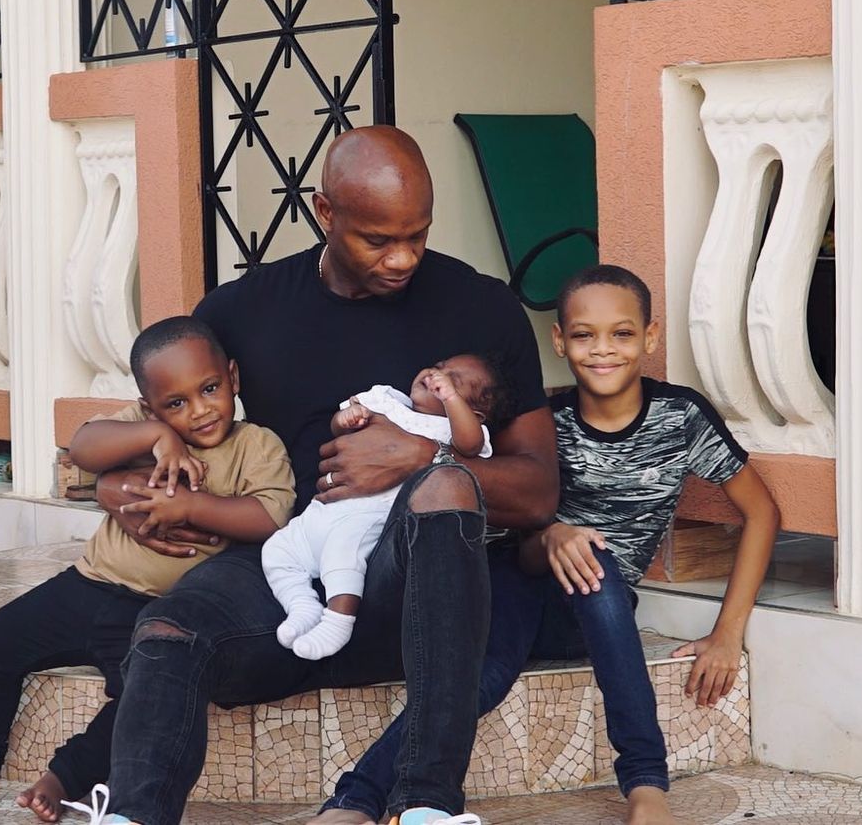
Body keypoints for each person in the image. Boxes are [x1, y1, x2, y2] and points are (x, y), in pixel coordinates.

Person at [82, 126, 559, 825]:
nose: (403, 259)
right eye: (377, 239)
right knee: (166, 634)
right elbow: (140, 438)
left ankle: (426, 805)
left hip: (413, 590)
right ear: (325, 212)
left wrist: (425, 455)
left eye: (418, 235)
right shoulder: (239, 313)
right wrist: (113, 491)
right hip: (287, 568)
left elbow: (540, 489)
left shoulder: (481, 309)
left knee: (449, 487)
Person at [0, 316, 293, 822]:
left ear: (233, 377)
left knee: (146, 696)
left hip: (160, 611)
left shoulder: (256, 445)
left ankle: (65, 775)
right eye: (175, 404)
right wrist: (158, 436)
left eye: (210, 389)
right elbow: (83, 446)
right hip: (88, 584)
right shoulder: (140, 433)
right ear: (149, 407)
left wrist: (188, 506)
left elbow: (269, 516)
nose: (200, 410)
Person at [519, 264, 780, 825]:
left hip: (594, 607)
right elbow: (508, 537)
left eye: (622, 333)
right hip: (524, 591)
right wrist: (552, 534)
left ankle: (645, 787)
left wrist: (726, 633)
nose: (602, 350)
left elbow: (761, 512)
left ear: (650, 337)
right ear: (560, 341)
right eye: (584, 335)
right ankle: (359, 800)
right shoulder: (546, 421)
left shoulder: (679, 416)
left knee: (600, 566)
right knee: (487, 671)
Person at [264, 352, 517, 660]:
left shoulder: (451, 431)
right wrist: (344, 420)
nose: (437, 376)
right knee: (277, 550)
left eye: (455, 380)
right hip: (327, 508)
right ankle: (301, 605)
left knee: (343, 554)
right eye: (439, 367)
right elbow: (341, 425)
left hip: (371, 516)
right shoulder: (387, 399)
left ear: (475, 413)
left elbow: (471, 445)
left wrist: (450, 399)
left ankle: (338, 621)